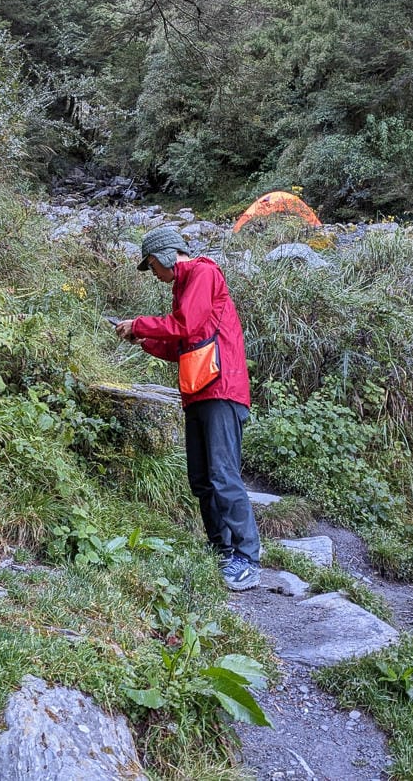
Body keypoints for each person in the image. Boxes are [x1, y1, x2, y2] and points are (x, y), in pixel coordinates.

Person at [115, 226, 262, 591]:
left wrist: (140, 324)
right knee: (202, 478)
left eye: (151, 266)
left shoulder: (203, 273)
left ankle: (247, 559)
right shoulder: (184, 286)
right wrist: (143, 339)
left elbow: (185, 325)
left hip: (222, 391)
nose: (154, 275)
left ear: (165, 256)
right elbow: (181, 344)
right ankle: (221, 550)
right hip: (199, 391)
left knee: (223, 475)